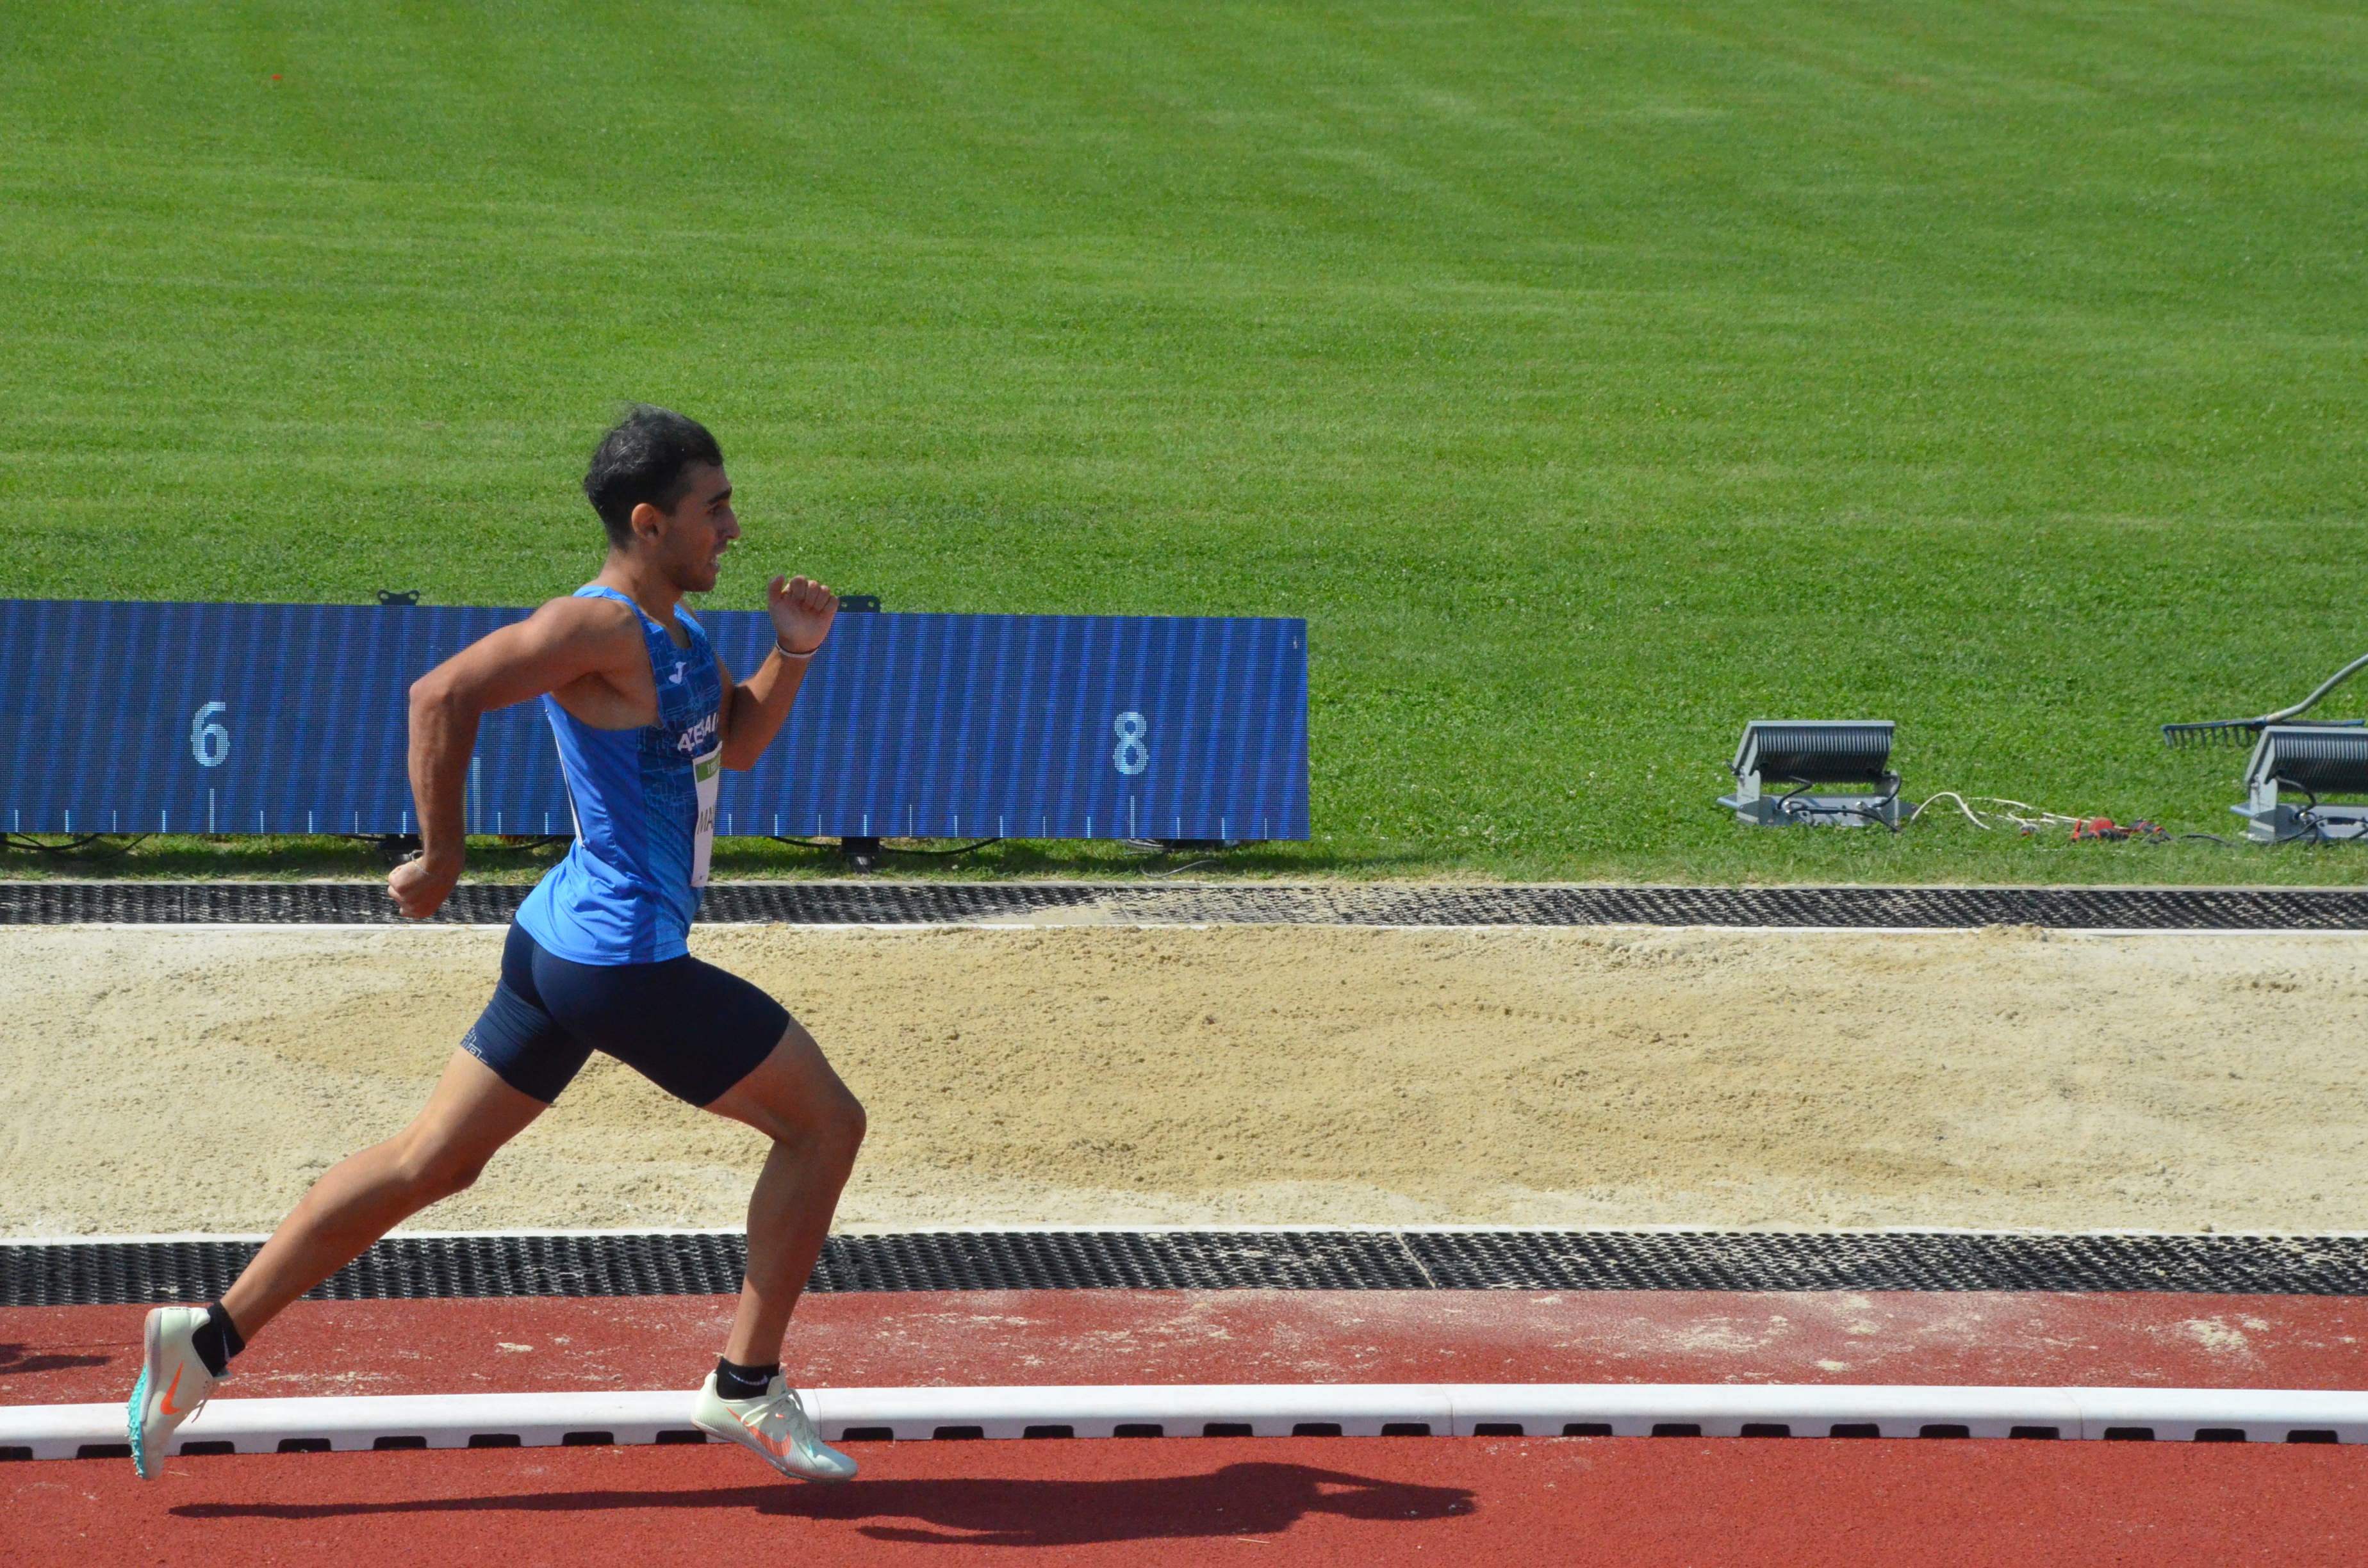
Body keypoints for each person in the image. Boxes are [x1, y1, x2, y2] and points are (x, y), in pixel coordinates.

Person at [126, 405, 867, 1484]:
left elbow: (736, 745)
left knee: (436, 1161)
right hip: (619, 964)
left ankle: (208, 1338)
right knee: (824, 1126)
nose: (736, 530)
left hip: (561, 948)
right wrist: (441, 856)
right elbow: (444, 692)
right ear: (651, 522)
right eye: (717, 510)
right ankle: (745, 1384)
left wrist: (793, 653)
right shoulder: (597, 626)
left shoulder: (678, 632)